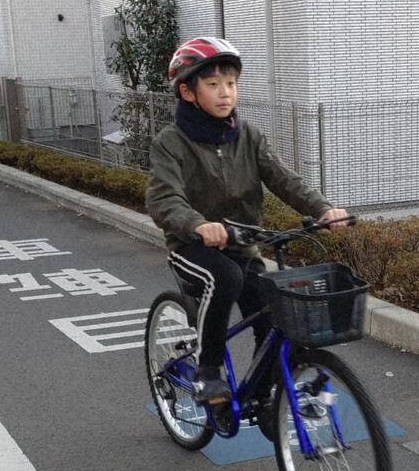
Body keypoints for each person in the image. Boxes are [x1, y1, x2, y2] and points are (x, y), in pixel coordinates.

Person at [146, 37, 348, 404]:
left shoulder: (248, 136)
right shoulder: (170, 142)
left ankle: (266, 393)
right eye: (213, 85)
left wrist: (322, 208)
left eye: (232, 83)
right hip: (192, 247)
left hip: (244, 243)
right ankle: (208, 372)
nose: (226, 93)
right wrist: (196, 224)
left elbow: (283, 178)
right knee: (225, 277)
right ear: (188, 92)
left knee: (273, 310)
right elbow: (163, 197)